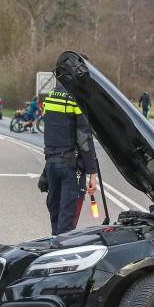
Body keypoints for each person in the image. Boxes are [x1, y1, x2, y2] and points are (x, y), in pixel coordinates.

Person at [41, 82, 99, 235]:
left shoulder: (51, 96)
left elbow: (52, 135)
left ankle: (53, 251)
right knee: (67, 226)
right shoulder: (76, 100)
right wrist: (93, 173)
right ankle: (62, 256)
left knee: (55, 219)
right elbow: (84, 140)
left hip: (51, 165)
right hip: (71, 169)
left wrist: (45, 171)